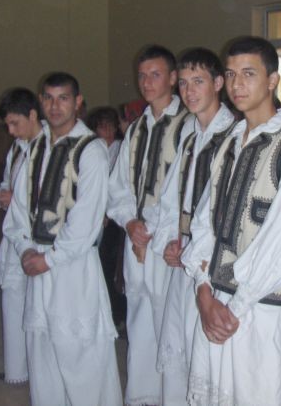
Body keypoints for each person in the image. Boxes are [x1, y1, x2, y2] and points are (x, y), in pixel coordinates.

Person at [184, 36, 281, 405]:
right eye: (231, 74)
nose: (237, 84)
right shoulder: (230, 142)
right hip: (217, 300)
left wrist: (233, 308)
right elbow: (205, 222)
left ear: (272, 80)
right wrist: (203, 291)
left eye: (249, 74)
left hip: (261, 310)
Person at [3, 72, 122, 406]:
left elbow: (87, 220)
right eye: (49, 98)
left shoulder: (91, 150)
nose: (55, 106)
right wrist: (25, 249)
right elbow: (19, 209)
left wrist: (50, 259)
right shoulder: (35, 147)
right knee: (42, 354)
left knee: (81, 355)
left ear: (77, 102)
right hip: (37, 264)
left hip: (74, 269)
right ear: (41, 102)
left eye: (63, 98)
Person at [107, 45, 190, 406]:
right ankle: (143, 395)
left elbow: (186, 190)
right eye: (142, 75)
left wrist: (151, 228)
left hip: (169, 241)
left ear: (172, 78)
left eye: (155, 74)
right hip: (137, 238)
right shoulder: (138, 128)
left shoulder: (188, 125)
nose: (147, 82)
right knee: (140, 317)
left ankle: (174, 397)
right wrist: (129, 222)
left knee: (170, 320)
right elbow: (119, 186)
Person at [153, 47, 235, 405]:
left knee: (209, 354)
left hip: (214, 262)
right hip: (184, 253)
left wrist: (190, 250)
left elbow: (225, 212)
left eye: (198, 81)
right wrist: (170, 242)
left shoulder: (234, 136)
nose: (189, 91)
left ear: (217, 83)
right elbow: (171, 199)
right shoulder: (190, 136)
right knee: (180, 344)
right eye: (184, 83)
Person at [0, 87, 43, 384]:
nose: (11, 131)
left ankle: (37, 370)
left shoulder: (49, 146)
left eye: (15, 123)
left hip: (38, 238)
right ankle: (16, 369)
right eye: (7, 125)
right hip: (15, 234)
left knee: (36, 305)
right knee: (12, 299)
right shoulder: (17, 149)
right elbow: (8, 182)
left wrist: (18, 200)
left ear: (32, 115)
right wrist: (5, 197)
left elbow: (53, 196)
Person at [86, 106, 127, 330]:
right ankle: (106, 311)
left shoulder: (121, 148)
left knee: (113, 266)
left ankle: (118, 314)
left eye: (111, 126)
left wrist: (108, 214)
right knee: (100, 264)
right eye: (102, 127)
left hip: (116, 217)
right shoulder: (94, 150)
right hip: (99, 214)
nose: (108, 131)